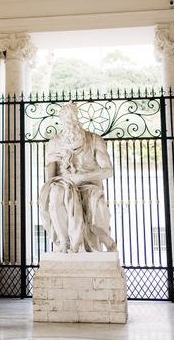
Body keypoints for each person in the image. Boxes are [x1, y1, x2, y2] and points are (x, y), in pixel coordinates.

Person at [39, 102, 118, 254]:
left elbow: (108, 171)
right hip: (64, 183)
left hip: (89, 184)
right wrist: (50, 163)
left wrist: (82, 177)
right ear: (62, 120)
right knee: (56, 195)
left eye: (74, 116)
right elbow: (50, 178)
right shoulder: (54, 142)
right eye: (67, 117)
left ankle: (107, 241)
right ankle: (64, 242)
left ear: (78, 118)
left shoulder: (94, 139)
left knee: (95, 206)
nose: (71, 120)